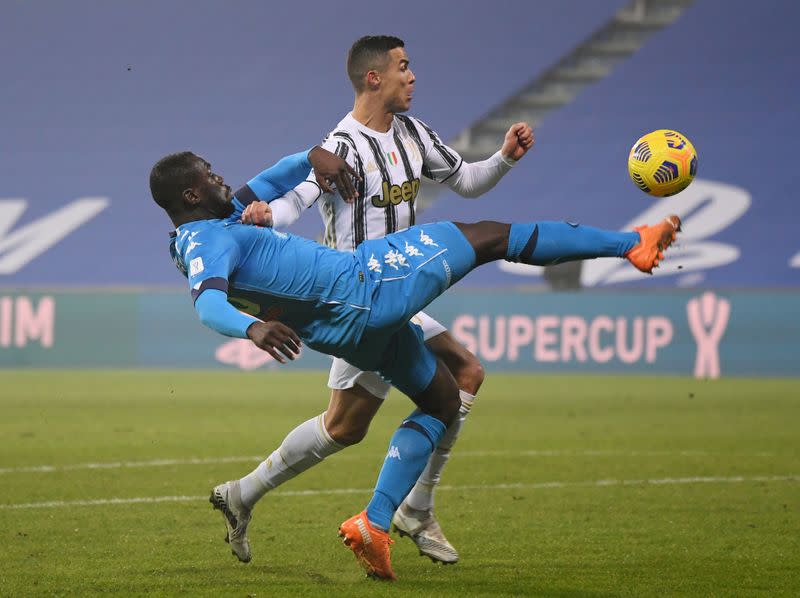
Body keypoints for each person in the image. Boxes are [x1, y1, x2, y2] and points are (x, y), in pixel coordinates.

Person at [151, 148, 680, 580]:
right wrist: (253, 328)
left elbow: (275, 176)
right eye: (211, 173)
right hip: (363, 284)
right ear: (192, 193)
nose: (224, 176)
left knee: (444, 398)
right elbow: (208, 303)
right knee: (490, 237)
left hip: (347, 330)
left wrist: (314, 157)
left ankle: (374, 524)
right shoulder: (205, 240)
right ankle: (631, 243)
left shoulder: (216, 219)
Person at [215, 34, 535, 567]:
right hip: (355, 297)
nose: (412, 77)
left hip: (402, 290)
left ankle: (416, 506)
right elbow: (298, 198)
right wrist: (265, 216)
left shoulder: (414, 134)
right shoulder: (340, 146)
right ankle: (244, 493)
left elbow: (468, 182)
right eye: (403, 67)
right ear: (374, 78)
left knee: (465, 375)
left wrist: (504, 158)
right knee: (345, 426)